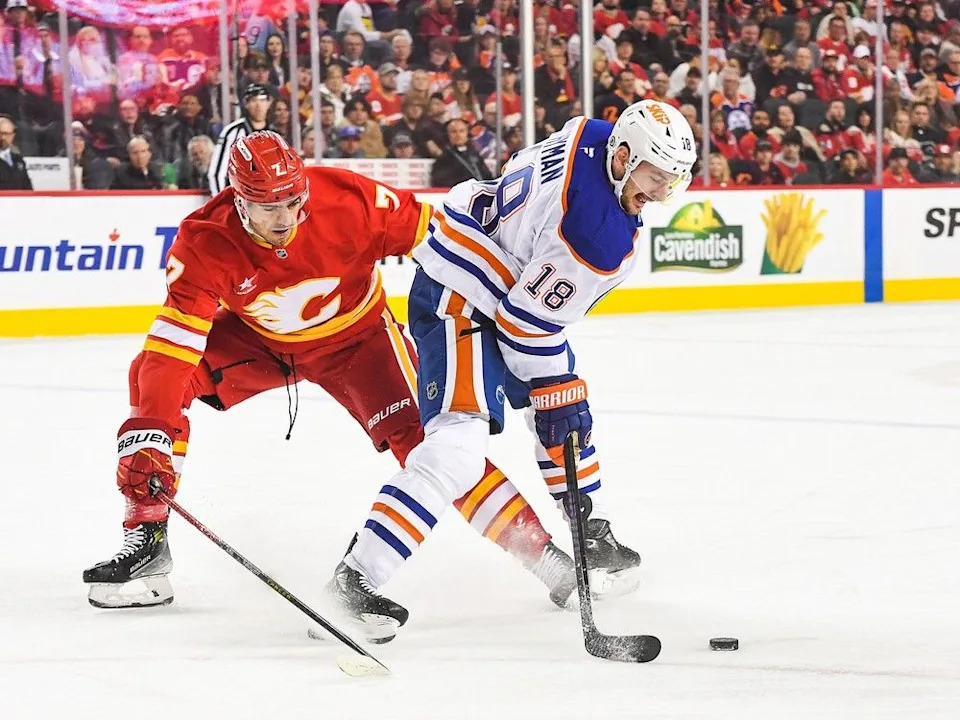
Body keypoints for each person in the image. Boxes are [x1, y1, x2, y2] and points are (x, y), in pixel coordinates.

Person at [82, 132, 579, 639]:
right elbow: (172, 348)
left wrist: (516, 317)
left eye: (294, 202)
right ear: (237, 198)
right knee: (150, 375)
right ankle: (147, 538)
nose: (284, 219)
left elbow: (448, 243)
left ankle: (544, 558)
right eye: (266, 205)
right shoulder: (205, 240)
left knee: (438, 448)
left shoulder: (351, 202)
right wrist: (150, 434)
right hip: (262, 344)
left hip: (359, 342)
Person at [331, 100, 697, 636]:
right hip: (463, 294)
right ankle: (355, 578)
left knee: (562, 403)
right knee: (460, 447)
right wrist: (555, 390)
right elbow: (525, 328)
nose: (663, 194)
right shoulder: (594, 234)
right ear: (621, 157)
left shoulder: (593, 132)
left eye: (673, 181)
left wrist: (556, 390)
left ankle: (583, 532)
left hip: (489, 270)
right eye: (655, 178)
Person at [208, 83, 273, 194]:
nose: (258, 105)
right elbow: (217, 173)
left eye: (262, 100)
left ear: (269, 103)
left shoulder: (274, 134)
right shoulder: (233, 132)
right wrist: (221, 204)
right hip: (238, 198)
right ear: (246, 104)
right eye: (253, 100)